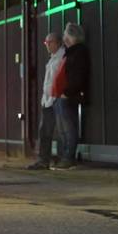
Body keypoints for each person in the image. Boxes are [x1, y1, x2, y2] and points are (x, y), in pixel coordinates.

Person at [27, 32, 65, 170]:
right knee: (45, 131)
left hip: (55, 99)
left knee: (54, 131)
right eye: (46, 43)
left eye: (50, 42)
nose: (47, 45)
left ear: (57, 43)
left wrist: (52, 97)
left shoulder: (60, 57)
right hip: (48, 100)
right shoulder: (53, 58)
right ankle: (45, 159)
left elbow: (56, 80)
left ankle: (49, 159)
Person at [54, 22, 90, 170]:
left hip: (68, 96)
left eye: (65, 34)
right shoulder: (71, 52)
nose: (63, 37)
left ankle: (69, 158)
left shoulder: (78, 53)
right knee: (63, 128)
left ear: (71, 36)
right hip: (63, 95)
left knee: (68, 128)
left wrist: (66, 92)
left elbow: (77, 76)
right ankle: (65, 157)